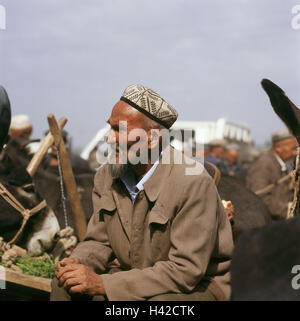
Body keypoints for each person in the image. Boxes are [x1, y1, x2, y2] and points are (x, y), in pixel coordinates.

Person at [51, 84, 233, 301]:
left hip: (199, 285)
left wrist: (103, 284)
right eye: (110, 128)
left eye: (119, 130)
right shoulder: (106, 177)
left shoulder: (192, 182)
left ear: (153, 138)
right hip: (139, 276)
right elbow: (98, 242)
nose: (109, 139)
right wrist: (78, 262)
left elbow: (186, 271)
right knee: (64, 285)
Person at [247, 128, 297, 220]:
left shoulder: (279, 163)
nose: (295, 153)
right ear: (278, 147)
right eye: (293, 149)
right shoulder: (264, 165)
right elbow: (260, 197)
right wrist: (290, 210)